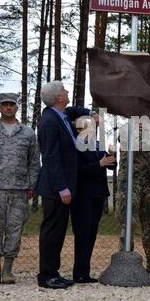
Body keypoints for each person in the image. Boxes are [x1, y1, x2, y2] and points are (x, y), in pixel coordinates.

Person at [36, 81, 95, 289]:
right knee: (51, 232)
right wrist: (62, 187)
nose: (68, 92)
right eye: (64, 91)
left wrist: (90, 112)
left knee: (58, 231)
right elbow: (50, 158)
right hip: (55, 188)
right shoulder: (50, 121)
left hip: (62, 186)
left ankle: (53, 272)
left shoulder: (60, 115)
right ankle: (46, 275)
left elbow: (74, 109)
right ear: (58, 98)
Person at [0, 93, 40, 284]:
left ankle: (8, 270)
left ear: (16, 107)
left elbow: (34, 162)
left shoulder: (27, 133)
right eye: (4, 105)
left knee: (15, 229)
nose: (8, 107)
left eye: (12, 104)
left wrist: (32, 186)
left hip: (19, 190)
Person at [116, 124, 150, 276]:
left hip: (149, 185)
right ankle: (124, 261)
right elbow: (131, 143)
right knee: (128, 223)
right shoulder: (127, 128)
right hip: (130, 184)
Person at [70, 118, 116, 283]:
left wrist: (111, 156)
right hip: (82, 195)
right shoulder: (75, 145)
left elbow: (110, 165)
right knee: (82, 234)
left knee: (91, 234)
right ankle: (79, 273)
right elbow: (77, 171)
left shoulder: (97, 144)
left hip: (98, 194)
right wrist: (99, 164)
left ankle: (85, 272)